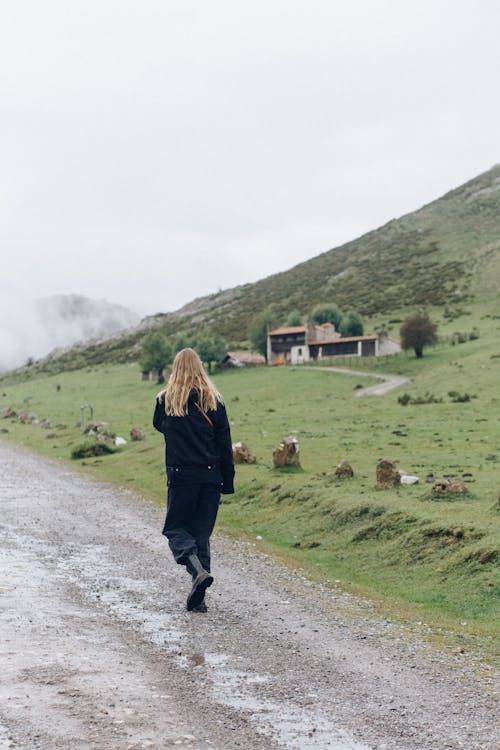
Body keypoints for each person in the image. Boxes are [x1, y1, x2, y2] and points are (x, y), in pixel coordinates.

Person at [153, 347, 235, 613]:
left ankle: (197, 571)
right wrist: (228, 481)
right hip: (210, 477)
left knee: (175, 529)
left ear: (175, 370)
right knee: (201, 535)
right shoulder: (215, 401)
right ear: (201, 367)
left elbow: (157, 426)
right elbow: (225, 443)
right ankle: (199, 598)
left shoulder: (166, 402)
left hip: (181, 477)